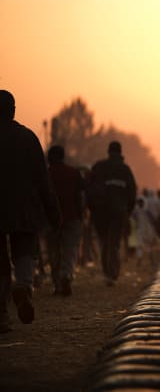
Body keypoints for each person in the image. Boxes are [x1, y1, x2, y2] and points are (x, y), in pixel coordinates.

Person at [0, 90, 61, 332]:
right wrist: (54, 213)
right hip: (24, 208)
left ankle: (2, 314)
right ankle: (23, 286)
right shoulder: (27, 138)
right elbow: (43, 180)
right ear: (13, 110)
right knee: (25, 250)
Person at [88, 141, 137, 286]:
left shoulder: (98, 167)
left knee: (104, 242)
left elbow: (89, 190)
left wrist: (92, 209)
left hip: (100, 213)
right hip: (118, 212)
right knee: (114, 243)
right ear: (120, 152)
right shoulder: (125, 170)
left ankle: (107, 272)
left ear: (108, 151)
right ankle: (112, 274)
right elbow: (132, 193)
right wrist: (126, 211)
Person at [46, 145, 85, 296]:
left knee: (54, 251)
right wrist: (81, 215)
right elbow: (80, 195)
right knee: (70, 249)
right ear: (63, 156)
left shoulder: (47, 174)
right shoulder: (74, 173)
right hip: (72, 216)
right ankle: (66, 275)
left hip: (51, 219)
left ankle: (57, 284)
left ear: (50, 158)